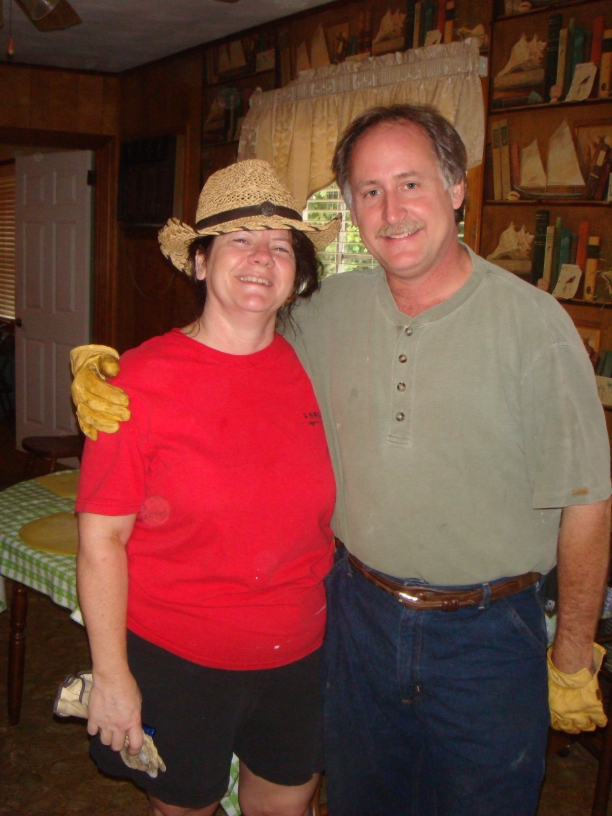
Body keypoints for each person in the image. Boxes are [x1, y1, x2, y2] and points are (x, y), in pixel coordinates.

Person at [72, 105, 611, 816]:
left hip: (481, 635)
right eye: (369, 191)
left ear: (455, 188)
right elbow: (225, 340)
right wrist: (111, 371)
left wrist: (572, 653)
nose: (392, 209)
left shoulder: (534, 325)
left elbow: (588, 498)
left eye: (411, 183)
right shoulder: (325, 313)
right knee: (360, 798)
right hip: (355, 621)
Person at [73, 159, 340, 816]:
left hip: (301, 653)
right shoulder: (136, 382)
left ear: (298, 272)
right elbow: (102, 540)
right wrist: (111, 675)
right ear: (199, 262)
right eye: (239, 239)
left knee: (286, 805)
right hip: (178, 660)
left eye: (281, 246)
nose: (262, 257)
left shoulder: (317, 365)